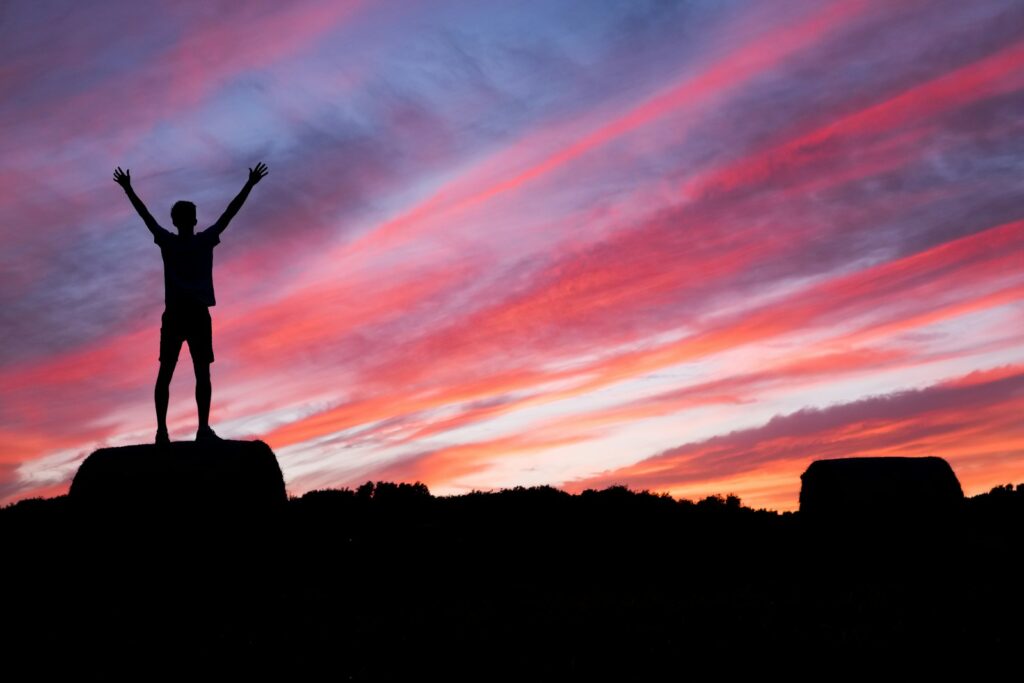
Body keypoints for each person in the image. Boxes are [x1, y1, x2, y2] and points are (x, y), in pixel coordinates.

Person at [113, 162, 268, 444]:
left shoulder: (168, 241)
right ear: (194, 220)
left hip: (175, 315)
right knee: (201, 373)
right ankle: (202, 429)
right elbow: (229, 214)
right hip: (195, 314)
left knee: (166, 372)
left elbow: (145, 216)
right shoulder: (203, 240)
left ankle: (163, 431)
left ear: (175, 221)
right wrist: (250, 184)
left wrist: (128, 189)